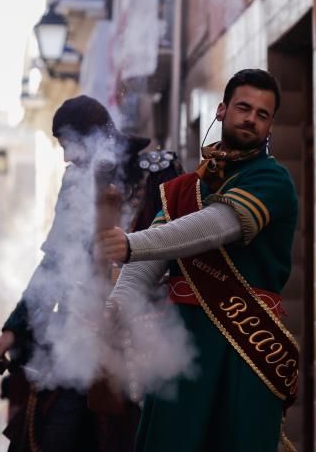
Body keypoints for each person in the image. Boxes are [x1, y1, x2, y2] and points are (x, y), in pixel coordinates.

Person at [98, 69, 300, 452]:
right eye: (243, 108)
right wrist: (116, 307)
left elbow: (215, 226)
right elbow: (147, 263)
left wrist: (130, 244)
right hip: (179, 343)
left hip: (244, 342)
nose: (251, 119)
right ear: (222, 110)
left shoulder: (272, 180)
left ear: (270, 125)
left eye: (262, 114)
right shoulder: (180, 190)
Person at [0, 95, 180, 452]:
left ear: (94, 136)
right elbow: (55, 263)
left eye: (69, 144)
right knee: (54, 434)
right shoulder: (73, 183)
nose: (67, 157)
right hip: (80, 336)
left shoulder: (160, 175)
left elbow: (179, 254)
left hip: (146, 341)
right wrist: (13, 329)